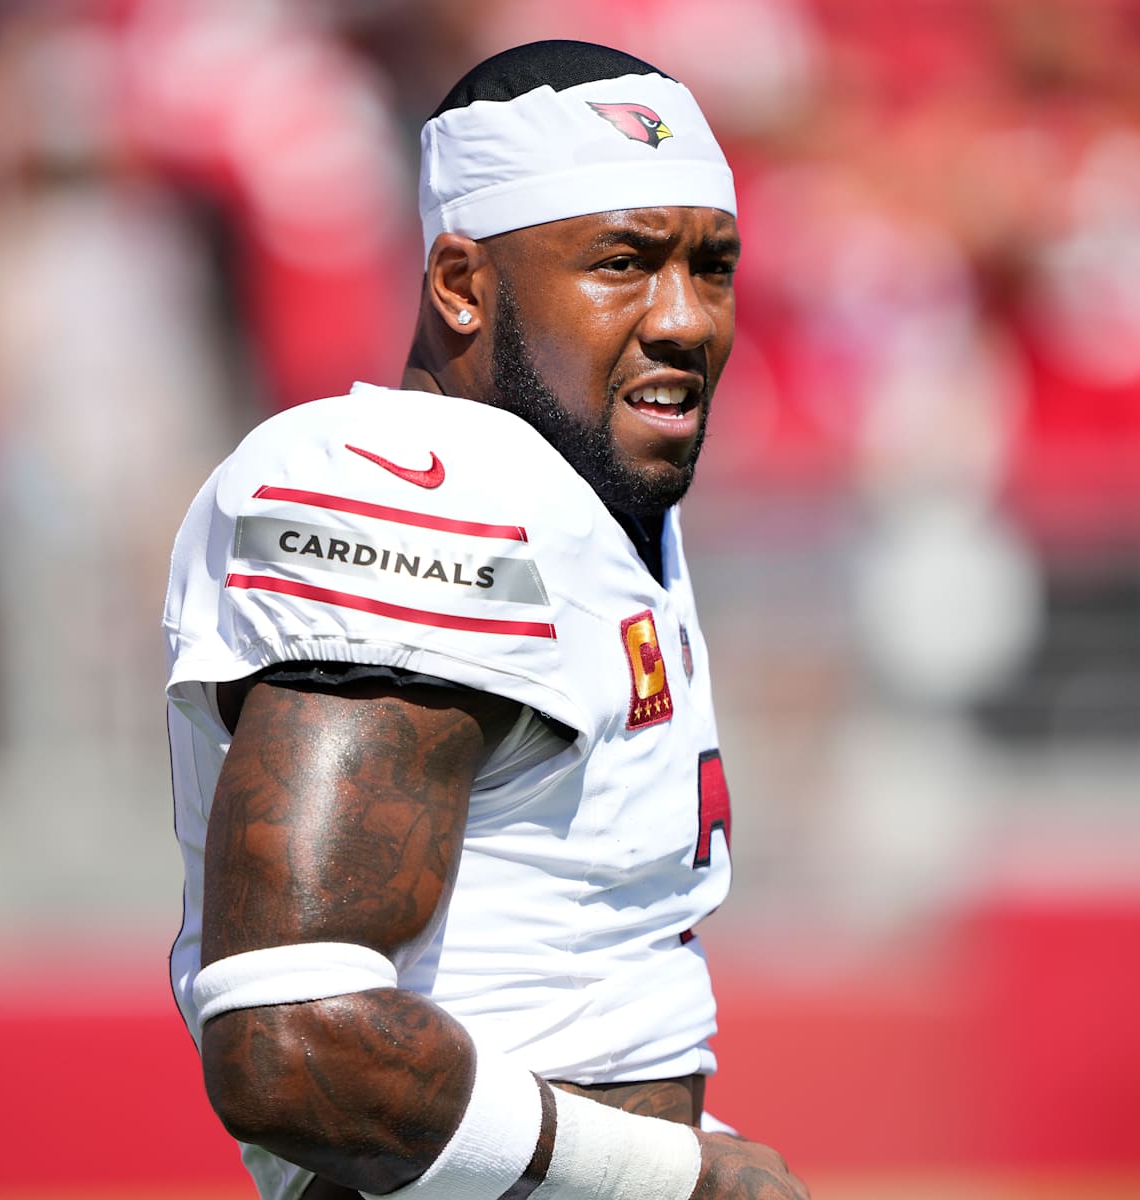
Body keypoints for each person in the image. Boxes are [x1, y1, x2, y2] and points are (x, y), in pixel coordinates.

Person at [162, 40, 809, 1200]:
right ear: (461, 284)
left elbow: (566, 980)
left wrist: (686, 1149)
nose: (685, 319)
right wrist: (675, 1179)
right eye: (624, 263)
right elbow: (292, 1043)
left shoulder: (591, 500)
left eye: (712, 268)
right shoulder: (415, 489)